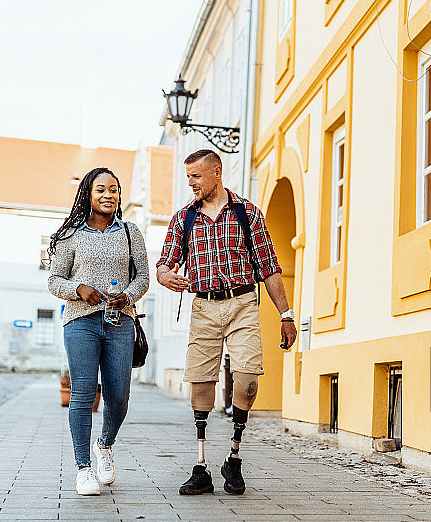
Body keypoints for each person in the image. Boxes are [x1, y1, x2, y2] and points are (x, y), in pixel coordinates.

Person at [157, 149, 298, 495]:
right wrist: (166, 276)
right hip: (204, 308)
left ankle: (233, 458)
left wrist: (286, 314)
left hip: (243, 303)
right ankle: (201, 465)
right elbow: (165, 263)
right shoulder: (183, 219)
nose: (190, 183)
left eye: (196, 176)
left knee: (247, 380)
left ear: (216, 173)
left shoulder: (247, 213)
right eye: (187, 176)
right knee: (201, 383)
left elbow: (269, 267)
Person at [48, 167, 149, 496]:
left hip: (120, 321)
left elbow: (143, 278)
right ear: (88, 194)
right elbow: (54, 280)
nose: (108, 195)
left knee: (119, 397)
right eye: (101, 190)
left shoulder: (131, 232)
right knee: (83, 392)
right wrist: (79, 289)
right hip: (81, 322)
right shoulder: (70, 234)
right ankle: (83, 468)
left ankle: (104, 444)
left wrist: (129, 296)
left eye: (114, 190)